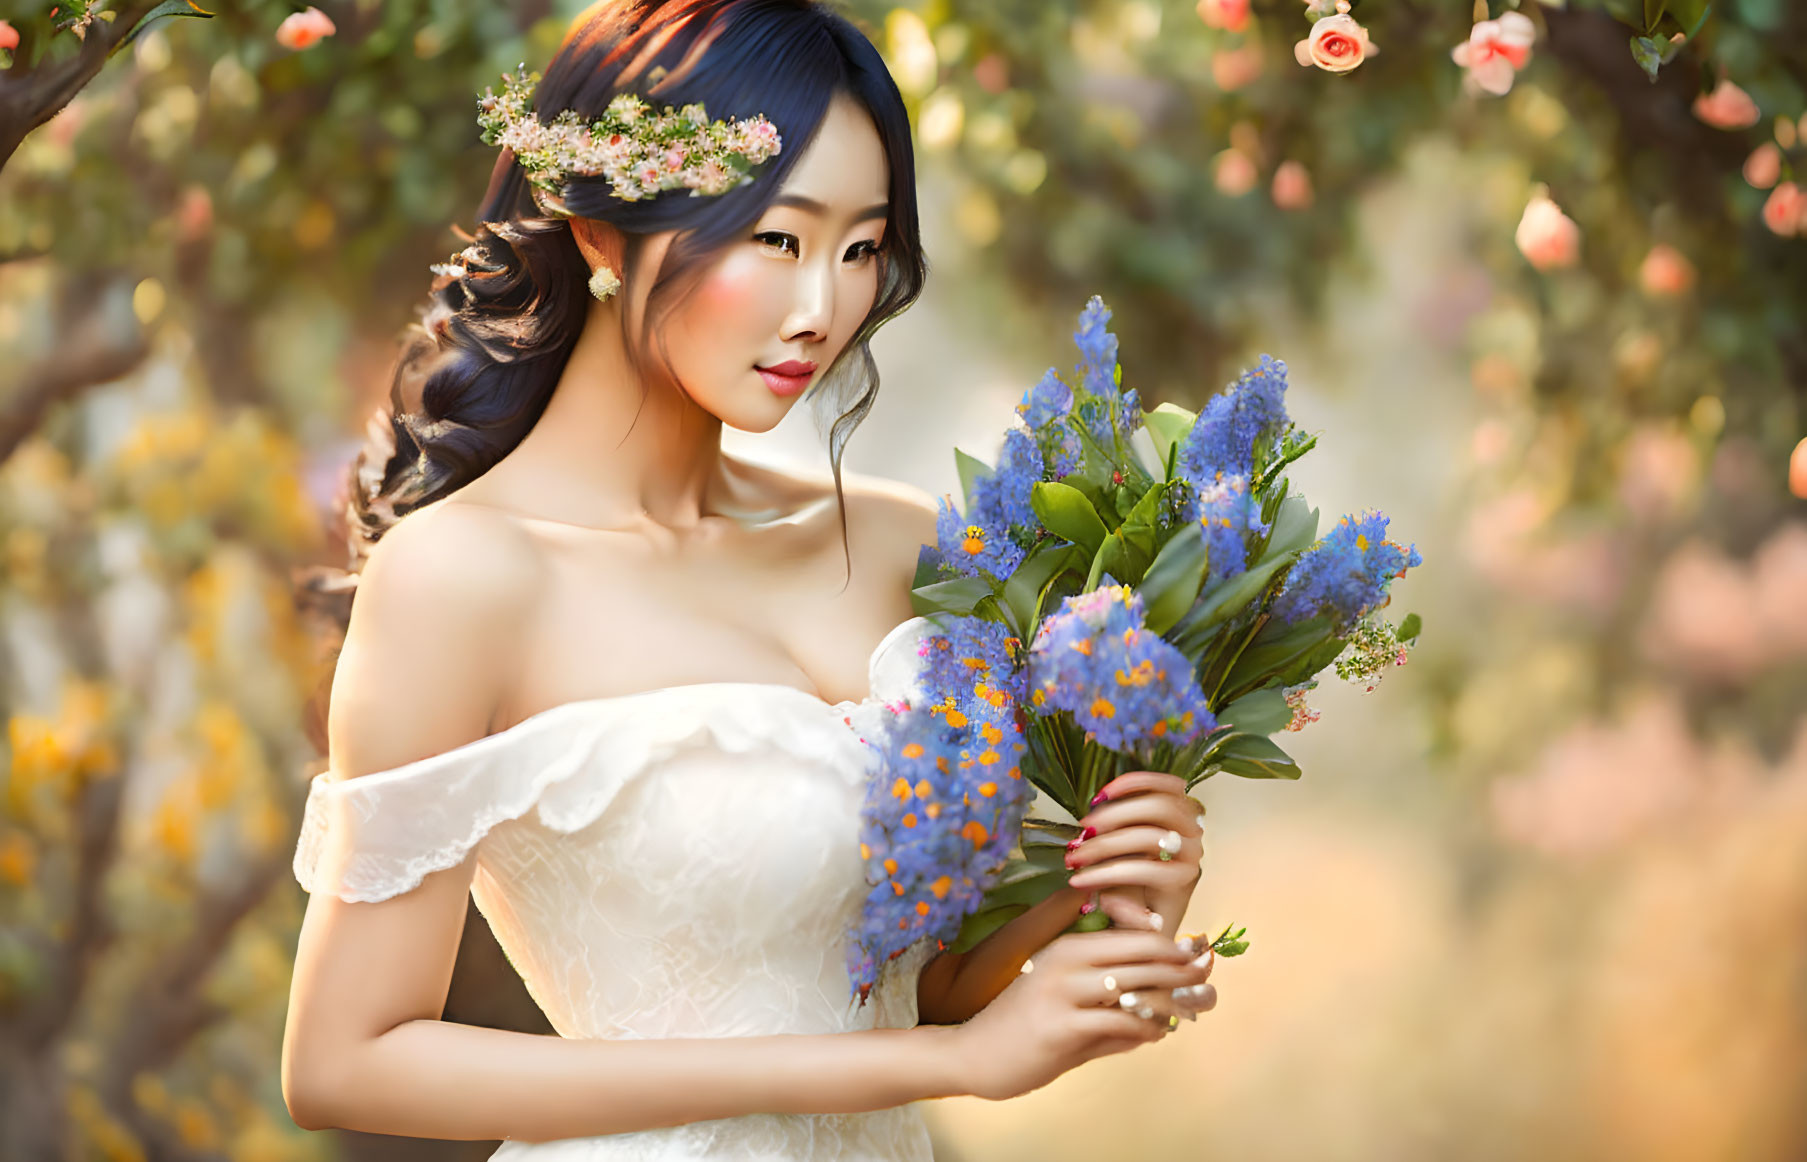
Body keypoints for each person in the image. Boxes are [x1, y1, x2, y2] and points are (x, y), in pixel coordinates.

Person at [280, 2, 1218, 1157]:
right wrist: (945, 1063)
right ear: (600, 233)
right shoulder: (466, 577)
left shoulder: (898, 546)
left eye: (861, 247)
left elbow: (922, 987)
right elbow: (344, 1059)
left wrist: (1103, 892)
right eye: (777, 238)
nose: (822, 308)